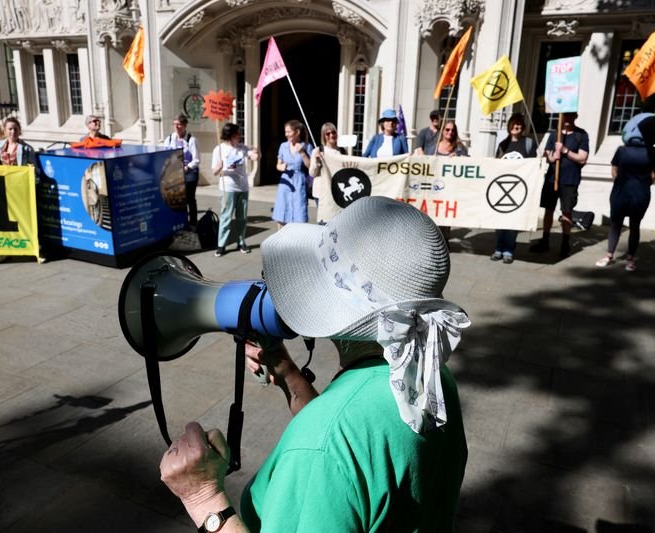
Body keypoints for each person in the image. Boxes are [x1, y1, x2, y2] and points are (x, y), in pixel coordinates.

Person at [159, 196, 471, 532]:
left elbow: (334, 439)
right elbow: (359, 441)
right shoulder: (429, 373)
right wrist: (285, 370)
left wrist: (204, 498)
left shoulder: (323, 445)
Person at [595, 113, 655, 272]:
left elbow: (654, 173)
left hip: (639, 194)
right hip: (621, 192)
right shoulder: (622, 150)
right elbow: (614, 170)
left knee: (635, 225)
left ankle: (630, 259)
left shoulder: (653, 152)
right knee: (615, 224)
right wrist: (624, 183)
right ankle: (609, 255)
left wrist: (640, 185)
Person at [529, 111, 589, 258]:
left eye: (570, 116)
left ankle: (565, 244)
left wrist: (565, 150)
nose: (567, 119)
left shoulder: (581, 135)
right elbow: (547, 155)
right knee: (548, 210)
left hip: (569, 180)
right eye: (565, 115)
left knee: (566, 212)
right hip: (551, 179)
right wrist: (552, 157)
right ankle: (545, 240)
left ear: (575, 117)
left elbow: (582, 158)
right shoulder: (554, 135)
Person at [491, 113, 537, 264]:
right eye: (513, 124)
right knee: (500, 220)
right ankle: (498, 248)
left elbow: (533, 165)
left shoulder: (528, 143)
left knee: (512, 222)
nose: (516, 126)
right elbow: (496, 165)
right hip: (502, 187)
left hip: (518, 189)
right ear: (509, 126)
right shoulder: (503, 144)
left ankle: (508, 250)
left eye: (519, 124)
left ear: (522, 127)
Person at [211, 122, 259, 257]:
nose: (240, 135)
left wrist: (257, 153)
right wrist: (219, 166)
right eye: (238, 133)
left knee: (242, 217)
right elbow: (214, 172)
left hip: (243, 187)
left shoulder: (242, 148)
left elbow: (254, 157)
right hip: (228, 187)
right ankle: (221, 245)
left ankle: (241, 241)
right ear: (230, 135)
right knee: (226, 217)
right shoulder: (219, 149)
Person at [272, 119, 312, 227]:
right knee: (282, 215)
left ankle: (296, 242)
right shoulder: (283, 146)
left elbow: (310, 167)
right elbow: (278, 165)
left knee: (299, 215)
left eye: (289, 132)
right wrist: (282, 167)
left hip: (299, 182)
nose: (286, 134)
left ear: (297, 132)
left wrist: (303, 153)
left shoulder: (307, 146)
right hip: (285, 182)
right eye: (285, 132)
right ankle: (280, 242)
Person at [163, 114, 201, 227]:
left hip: (189, 172)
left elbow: (197, 159)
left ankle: (193, 223)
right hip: (175, 173)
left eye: (179, 124)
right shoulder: (169, 139)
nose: (177, 127)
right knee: (178, 199)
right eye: (175, 124)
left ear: (185, 125)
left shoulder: (191, 140)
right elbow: (165, 155)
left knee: (189, 198)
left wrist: (187, 167)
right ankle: (181, 222)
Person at [308, 122, 345, 205]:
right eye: (327, 134)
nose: (331, 135)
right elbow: (312, 173)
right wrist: (317, 161)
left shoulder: (342, 151)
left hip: (337, 191)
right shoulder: (317, 151)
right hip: (321, 192)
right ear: (323, 136)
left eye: (333, 132)